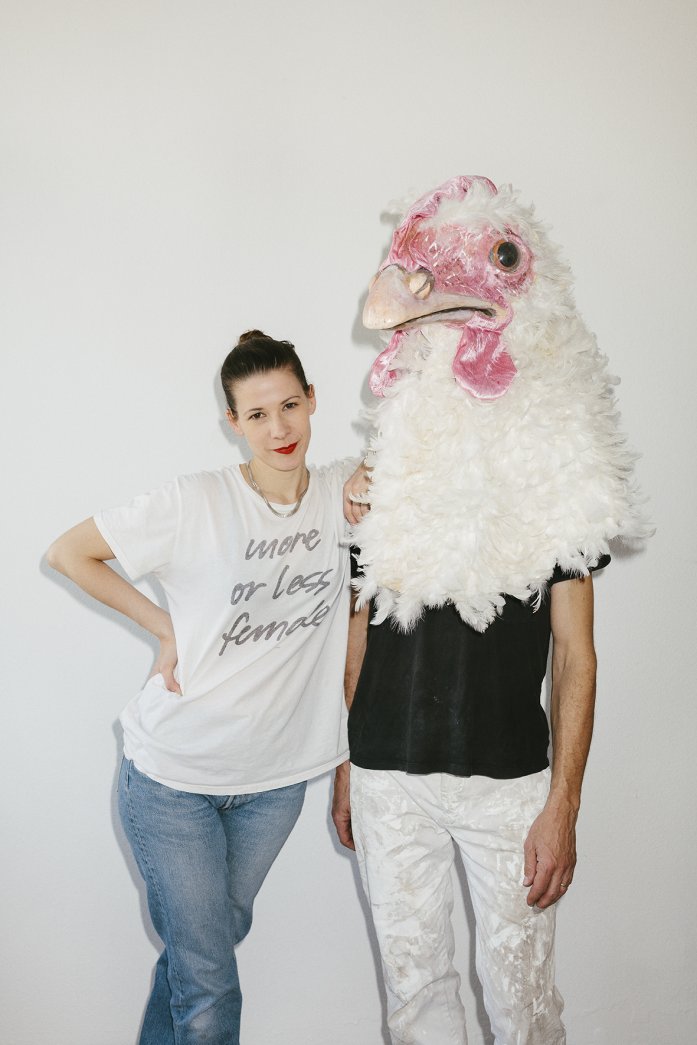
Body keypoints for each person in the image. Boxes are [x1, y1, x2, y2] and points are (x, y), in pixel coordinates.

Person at [48, 330, 354, 1045]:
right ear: (232, 422)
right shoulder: (196, 501)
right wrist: (161, 626)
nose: (277, 428)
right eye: (255, 414)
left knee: (200, 957)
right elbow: (69, 551)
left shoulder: (344, 492)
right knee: (210, 979)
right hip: (172, 778)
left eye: (288, 405)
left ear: (313, 402)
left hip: (275, 784)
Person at [334, 483, 607, 1045]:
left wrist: (564, 804)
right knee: (413, 993)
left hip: (509, 785)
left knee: (522, 999)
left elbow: (576, 656)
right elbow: (358, 632)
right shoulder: (385, 487)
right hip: (387, 779)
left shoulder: (561, 493)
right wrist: (346, 761)